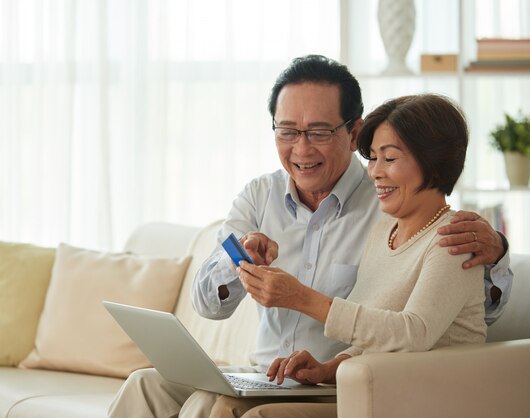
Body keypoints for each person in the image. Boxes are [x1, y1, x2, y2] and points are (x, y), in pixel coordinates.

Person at [107, 55, 512, 418]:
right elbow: (207, 305)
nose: (301, 148)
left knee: (208, 405)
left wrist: (494, 254)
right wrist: (239, 260)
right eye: (287, 131)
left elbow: (447, 320)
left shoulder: (389, 206)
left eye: (318, 132)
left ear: (354, 134)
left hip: (338, 387)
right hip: (265, 371)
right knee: (144, 383)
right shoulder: (260, 196)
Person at [209, 93, 488, 418]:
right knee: (221, 405)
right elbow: (374, 336)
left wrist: (300, 298)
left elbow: (412, 334)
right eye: (372, 158)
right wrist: (328, 369)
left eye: (389, 158)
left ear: (433, 161)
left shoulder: (456, 238)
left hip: (426, 402)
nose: (374, 172)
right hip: (374, 392)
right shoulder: (384, 231)